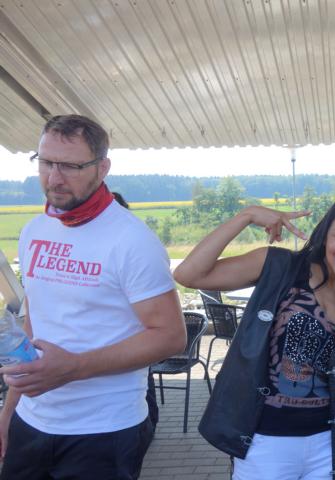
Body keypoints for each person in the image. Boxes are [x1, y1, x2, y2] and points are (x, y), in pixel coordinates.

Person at [0, 115, 187, 480]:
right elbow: (35, 321)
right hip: (31, 421)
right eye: (46, 162)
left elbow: (170, 336)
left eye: (70, 166)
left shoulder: (132, 240)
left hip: (105, 431)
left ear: (102, 168)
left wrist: (74, 367)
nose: (54, 178)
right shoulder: (34, 230)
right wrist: (8, 411)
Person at [173, 196, 335, 480]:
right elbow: (188, 275)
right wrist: (246, 216)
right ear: (324, 236)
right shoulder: (280, 266)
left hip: (327, 447)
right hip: (264, 446)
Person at [111, 191, 160, 436]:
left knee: (142, 383)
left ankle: (149, 425)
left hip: (135, 345)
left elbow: (165, 329)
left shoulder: (136, 246)